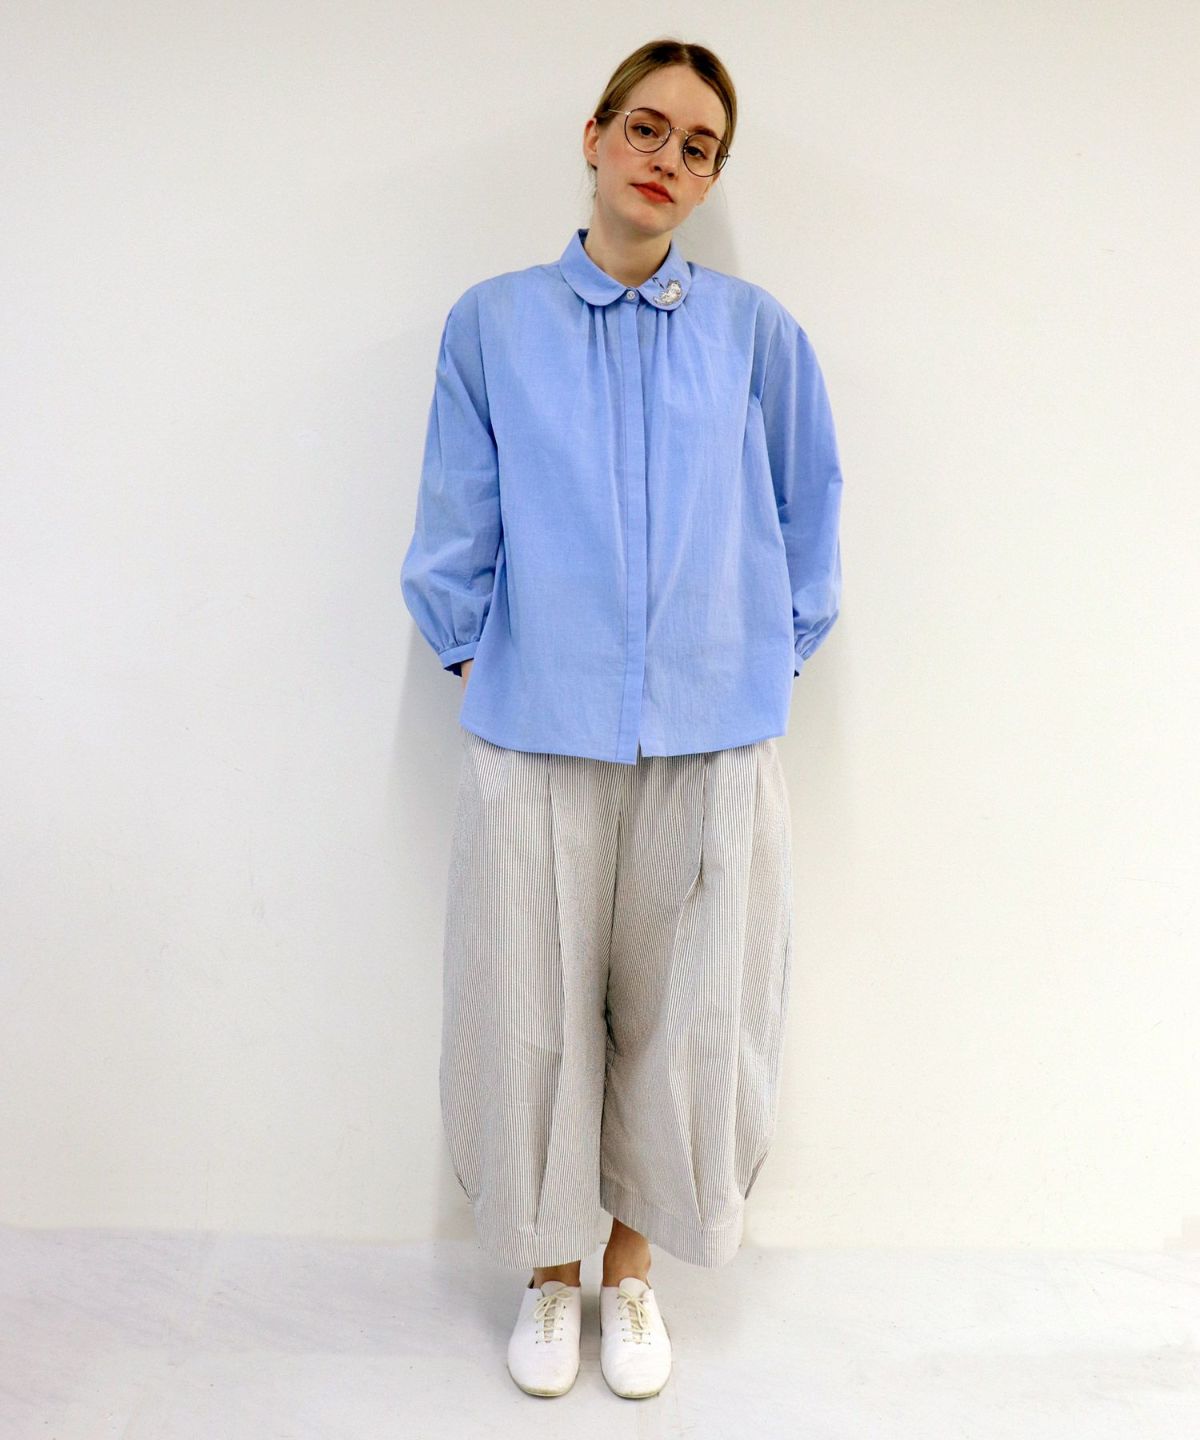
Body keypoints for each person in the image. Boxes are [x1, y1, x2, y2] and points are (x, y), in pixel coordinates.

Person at [401, 37, 844, 1401]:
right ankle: (550, 1277)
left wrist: (765, 655)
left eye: (698, 146)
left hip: (713, 738)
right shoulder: (493, 323)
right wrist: (473, 650)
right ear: (595, 137)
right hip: (536, 730)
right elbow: (456, 513)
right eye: (647, 127)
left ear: (711, 179)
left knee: (692, 1018)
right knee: (528, 1012)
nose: (667, 158)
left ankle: (632, 1275)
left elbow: (809, 511)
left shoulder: (758, 334)